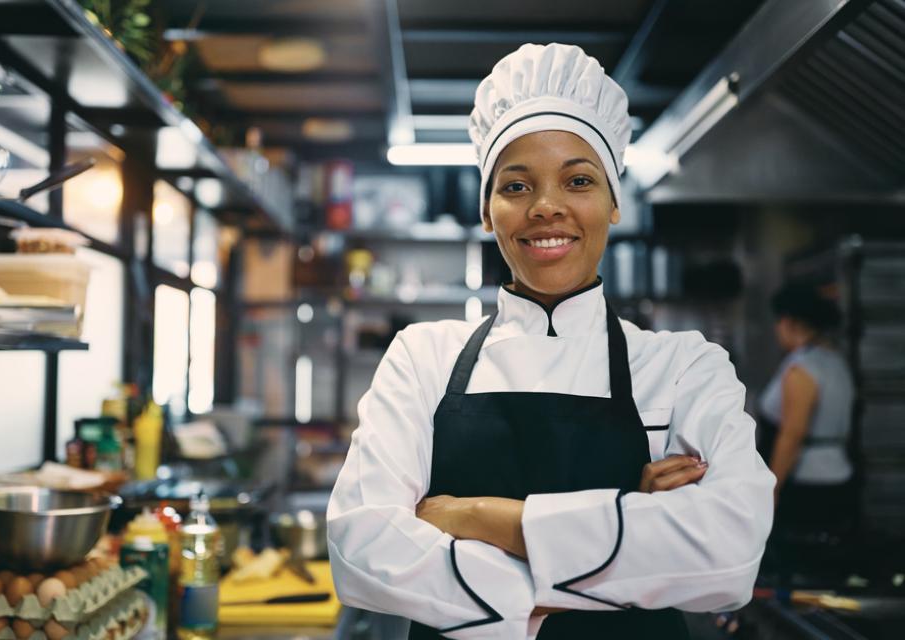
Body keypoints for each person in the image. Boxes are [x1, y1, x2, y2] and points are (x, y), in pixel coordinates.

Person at [326, 43, 775, 639]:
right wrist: (631, 553)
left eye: (579, 179)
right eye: (515, 186)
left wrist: (477, 516)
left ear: (614, 202)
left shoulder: (685, 366)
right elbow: (362, 550)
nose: (546, 207)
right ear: (487, 212)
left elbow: (730, 552)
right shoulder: (422, 357)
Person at [759, 283, 855, 531]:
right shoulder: (835, 360)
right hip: (839, 474)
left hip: (806, 484)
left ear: (789, 322)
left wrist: (773, 489)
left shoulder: (801, 369)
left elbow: (792, 434)